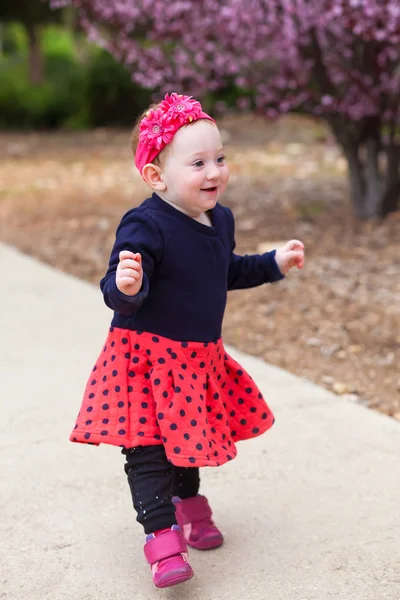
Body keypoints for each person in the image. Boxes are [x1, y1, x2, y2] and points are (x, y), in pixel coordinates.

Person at [70, 92, 305, 588]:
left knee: (186, 444)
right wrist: (127, 286)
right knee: (148, 448)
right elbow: (118, 291)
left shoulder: (221, 220)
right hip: (143, 358)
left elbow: (227, 272)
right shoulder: (145, 225)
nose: (214, 171)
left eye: (219, 158)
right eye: (197, 163)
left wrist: (274, 263)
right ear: (157, 177)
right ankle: (162, 543)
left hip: (196, 359)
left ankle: (190, 506)